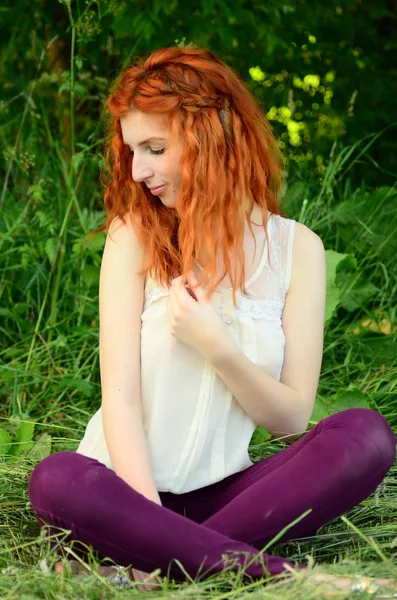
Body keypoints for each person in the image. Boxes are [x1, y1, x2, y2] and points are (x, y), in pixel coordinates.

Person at [28, 46, 396, 595]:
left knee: (364, 435)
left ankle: (161, 562)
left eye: (155, 148)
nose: (138, 170)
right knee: (54, 478)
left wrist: (218, 348)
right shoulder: (133, 236)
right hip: (122, 495)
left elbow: (291, 418)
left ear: (214, 137)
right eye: (132, 151)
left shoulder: (298, 249)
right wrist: (144, 520)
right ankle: (294, 578)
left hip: (229, 494)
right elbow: (120, 403)